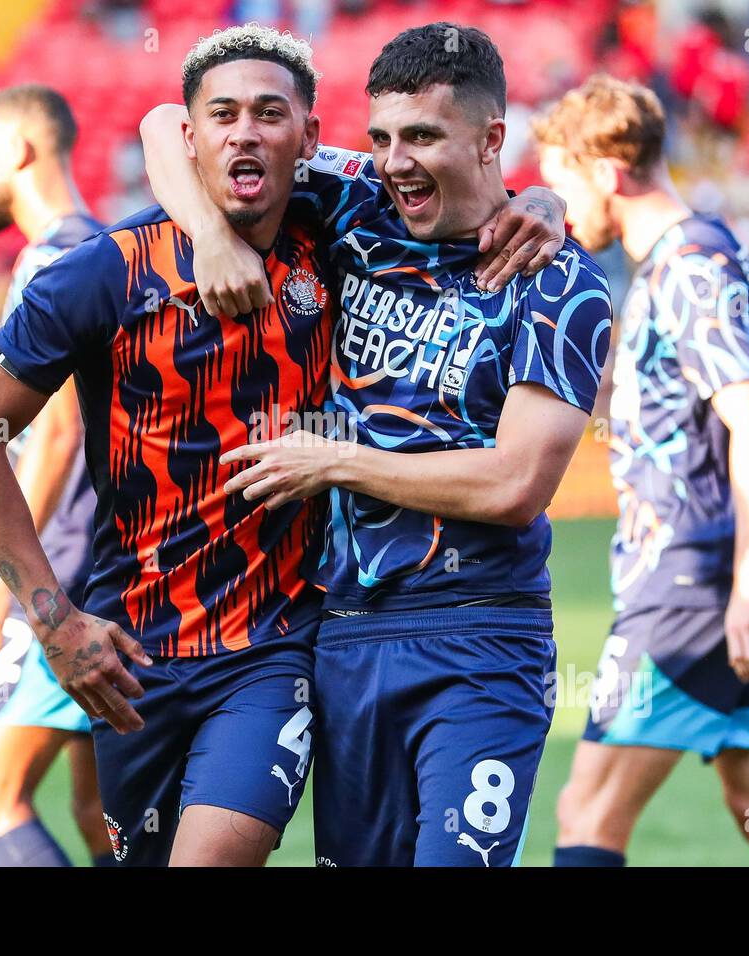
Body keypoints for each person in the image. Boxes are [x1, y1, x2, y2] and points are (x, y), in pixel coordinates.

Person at [141, 22, 611, 866]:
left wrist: (335, 462)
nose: (395, 162)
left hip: (481, 636)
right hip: (346, 633)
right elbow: (157, 127)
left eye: (423, 137)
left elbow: (513, 486)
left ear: (491, 138)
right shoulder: (358, 203)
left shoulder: (558, 282)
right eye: (384, 138)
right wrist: (211, 237)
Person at [0, 25, 334, 867]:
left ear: (309, 134)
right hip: (133, 655)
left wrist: (541, 203)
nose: (246, 131)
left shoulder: (341, 240)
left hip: (271, 647)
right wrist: (53, 623)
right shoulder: (100, 273)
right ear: (189, 138)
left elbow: (446, 186)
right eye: (222, 113)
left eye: (271, 113)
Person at [531, 74, 749, 867]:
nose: (560, 207)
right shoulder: (684, 258)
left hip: (694, 585)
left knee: (586, 808)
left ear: (606, 171)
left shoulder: (690, 267)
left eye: (563, 180)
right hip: (714, 582)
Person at [0, 84, 114, 867]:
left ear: (17, 151)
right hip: (108, 562)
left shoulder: (52, 261)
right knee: (101, 814)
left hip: (63, 567)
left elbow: (53, 438)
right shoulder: (101, 250)